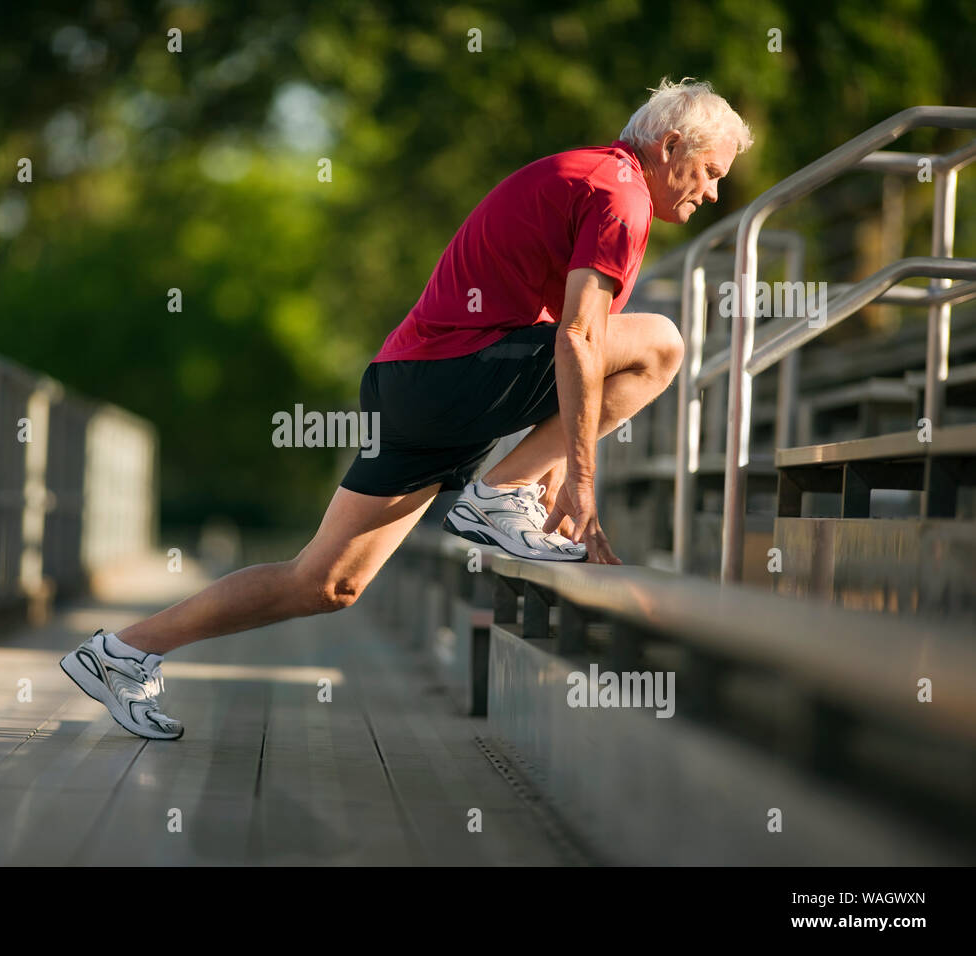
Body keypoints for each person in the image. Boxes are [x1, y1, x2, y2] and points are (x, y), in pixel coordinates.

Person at [61, 78, 754, 740]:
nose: (715, 190)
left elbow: (559, 349)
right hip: (449, 380)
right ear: (669, 148)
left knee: (326, 582)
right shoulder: (622, 192)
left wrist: (547, 492)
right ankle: (498, 493)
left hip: (412, 384)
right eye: (712, 170)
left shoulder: (591, 175)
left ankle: (122, 652)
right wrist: (577, 483)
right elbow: (578, 339)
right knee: (661, 343)